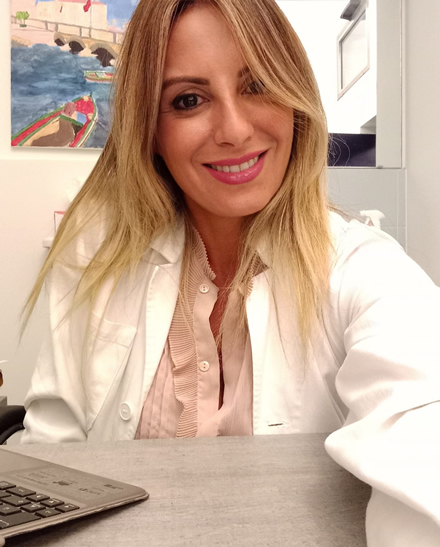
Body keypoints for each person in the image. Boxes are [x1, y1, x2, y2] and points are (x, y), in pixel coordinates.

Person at [21, 0, 440, 544]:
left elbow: (423, 435)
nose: (235, 130)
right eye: (188, 100)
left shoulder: (364, 267)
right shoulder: (95, 258)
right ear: (150, 130)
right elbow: (51, 455)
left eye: (258, 84)